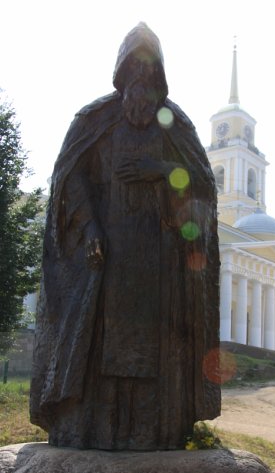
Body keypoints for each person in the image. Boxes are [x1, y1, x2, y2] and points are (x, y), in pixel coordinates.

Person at [30, 23, 220, 450]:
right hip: (106, 256)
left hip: (159, 261)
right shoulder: (95, 120)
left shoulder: (174, 124)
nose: (142, 80)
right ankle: (92, 431)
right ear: (121, 73)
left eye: (150, 72)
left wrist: (161, 170)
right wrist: (89, 229)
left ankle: (154, 434)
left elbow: (202, 185)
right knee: (100, 343)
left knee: (154, 349)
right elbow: (70, 179)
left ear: (160, 77)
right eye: (135, 70)